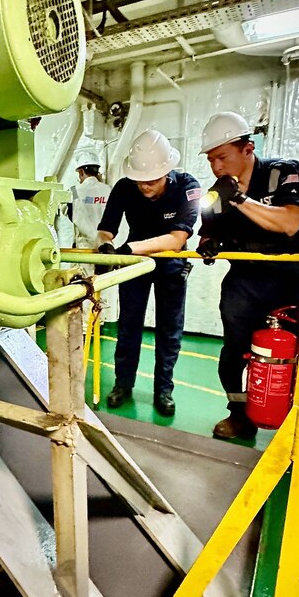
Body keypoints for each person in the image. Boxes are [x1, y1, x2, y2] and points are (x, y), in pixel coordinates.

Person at [198, 111, 299, 440]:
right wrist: (208, 244)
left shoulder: (284, 173)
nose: (217, 166)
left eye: (222, 157)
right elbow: (204, 232)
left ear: (248, 148)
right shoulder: (216, 193)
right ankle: (239, 415)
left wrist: (238, 198)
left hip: (289, 281)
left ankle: (294, 421)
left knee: (294, 355)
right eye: (211, 160)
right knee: (233, 352)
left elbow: (290, 224)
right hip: (244, 283)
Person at [96, 130, 201, 417]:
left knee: (169, 330)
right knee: (129, 326)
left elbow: (177, 239)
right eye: (139, 180)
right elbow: (107, 228)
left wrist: (128, 249)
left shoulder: (188, 187)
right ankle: (122, 384)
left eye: (152, 180)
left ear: (167, 171)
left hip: (169, 261)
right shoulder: (124, 187)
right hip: (135, 264)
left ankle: (163, 390)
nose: (144, 186)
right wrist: (105, 245)